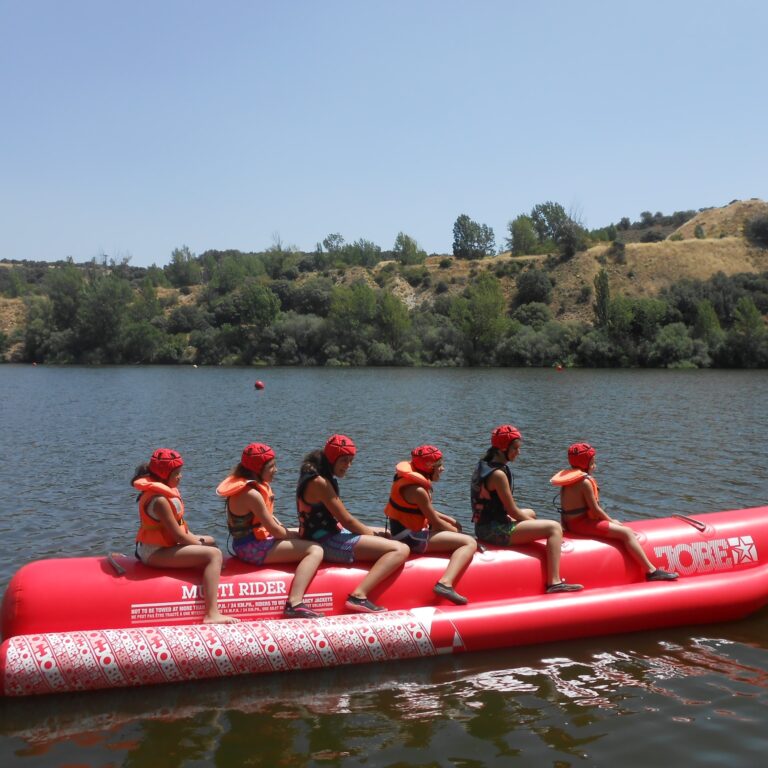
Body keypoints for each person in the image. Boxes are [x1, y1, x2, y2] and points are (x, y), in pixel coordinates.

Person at [297, 434, 410, 613]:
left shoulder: (317, 474)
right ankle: (359, 596)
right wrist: (371, 535)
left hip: (326, 533)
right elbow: (347, 520)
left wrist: (376, 534)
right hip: (326, 541)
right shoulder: (319, 482)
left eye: (351, 460)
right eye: (344, 460)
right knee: (399, 549)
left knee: (384, 533)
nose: (348, 465)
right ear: (331, 459)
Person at [217, 442, 325, 619]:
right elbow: (275, 530)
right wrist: (296, 536)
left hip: (251, 542)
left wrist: (296, 534)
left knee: (301, 535)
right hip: (251, 548)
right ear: (256, 470)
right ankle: (295, 603)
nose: (276, 470)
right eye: (271, 466)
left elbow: (270, 524)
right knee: (315, 549)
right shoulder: (251, 494)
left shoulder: (251, 487)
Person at [472, 425, 583, 594]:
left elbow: (507, 510)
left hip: (485, 525)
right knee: (553, 528)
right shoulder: (498, 475)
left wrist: (531, 521)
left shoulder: (485, 465)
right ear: (503, 448)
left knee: (530, 511)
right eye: (515, 448)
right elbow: (514, 511)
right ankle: (554, 582)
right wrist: (542, 526)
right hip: (493, 530)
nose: (518, 452)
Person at [133, 448, 238, 624]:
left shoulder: (164, 494)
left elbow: (181, 530)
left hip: (164, 547)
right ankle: (212, 613)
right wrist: (202, 546)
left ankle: (213, 574)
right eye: (176, 473)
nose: (180, 477)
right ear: (163, 474)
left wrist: (202, 541)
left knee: (210, 540)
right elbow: (179, 537)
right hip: (154, 553)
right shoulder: (159, 501)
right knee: (213, 554)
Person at [551, 443, 678, 582]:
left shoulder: (568, 480)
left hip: (570, 524)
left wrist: (565, 528)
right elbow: (595, 510)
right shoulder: (584, 482)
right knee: (626, 533)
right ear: (585, 463)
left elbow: (565, 510)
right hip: (581, 524)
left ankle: (651, 571)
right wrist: (612, 522)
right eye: (593, 463)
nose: (595, 466)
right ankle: (651, 571)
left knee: (621, 529)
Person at [385, 445, 477, 605]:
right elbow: (435, 522)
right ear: (428, 468)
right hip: (409, 538)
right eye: (439, 466)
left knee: (455, 527)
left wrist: (451, 521)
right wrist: (460, 535)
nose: (442, 469)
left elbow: (426, 511)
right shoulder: (418, 490)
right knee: (469, 543)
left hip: (404, 532)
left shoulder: (411, 484)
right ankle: (445, 583)